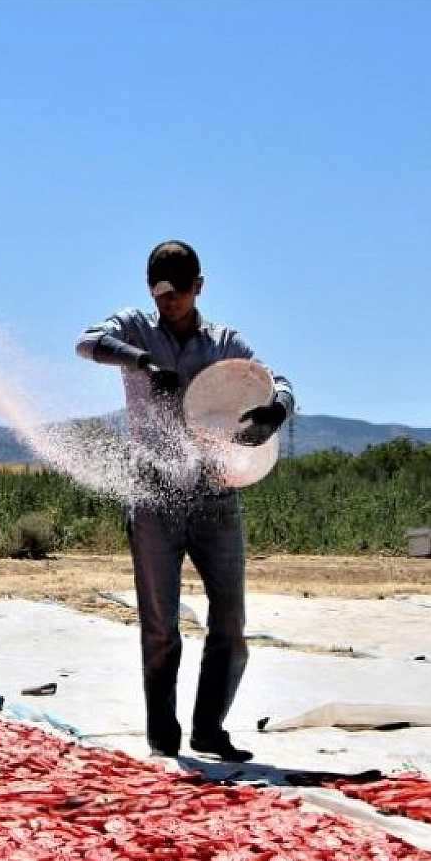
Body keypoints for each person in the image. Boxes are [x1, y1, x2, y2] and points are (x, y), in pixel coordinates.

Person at [75, 240, 293, 763]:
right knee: (160, 623)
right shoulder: (134, 328)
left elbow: (276, 380)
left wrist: (276, 411)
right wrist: (141, 362)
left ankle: (209, 728)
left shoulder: (223, 343)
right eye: (159, 292)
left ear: (199, 286)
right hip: (154, 496)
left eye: (178, 291)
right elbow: (86, 342)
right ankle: (163, 733)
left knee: (230, 620)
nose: (168, 301)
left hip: (215, 495)